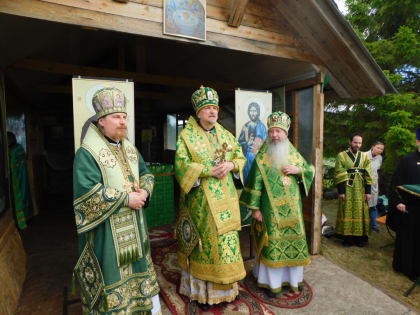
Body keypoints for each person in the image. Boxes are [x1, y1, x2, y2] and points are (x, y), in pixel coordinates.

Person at [72, 87, 160, 314]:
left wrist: (145, 193)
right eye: (116, 117)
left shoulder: (130, 148)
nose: (122, 122)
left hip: (136, 227)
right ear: (101, 121)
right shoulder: (87, 152)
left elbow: (146, 173)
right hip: (108, 235)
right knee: (113, 275)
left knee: (139, 269)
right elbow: (86, 194)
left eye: (124, 117)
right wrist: (125, 199)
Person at [174, 86, 246, 310]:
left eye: (215, 108)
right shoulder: (187, 136)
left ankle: (228, 290)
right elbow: (180, 166)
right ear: (199, 112)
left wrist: (232, 164)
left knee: (227, 244)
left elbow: (240, 155)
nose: (213, 112)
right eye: (208, 108)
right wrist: (207, 169)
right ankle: (204, 295)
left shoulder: (225, 134)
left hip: (226, 198)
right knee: (205, 246)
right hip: (201, 203)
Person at [240, 111, 314, 297]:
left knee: (293, 243)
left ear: (285, 132)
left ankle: (293, 281)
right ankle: (270, 283)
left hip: (293, 211)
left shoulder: (293, 153)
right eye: (272, 131)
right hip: (270, 211)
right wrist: (255, 209)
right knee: (272, 244)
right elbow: (254, 183)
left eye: (278, 132)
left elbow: (308, 170)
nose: (274, 135)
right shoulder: (262, 157)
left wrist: (299, 170)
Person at [388, 128, 420, 281]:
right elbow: (395, 183)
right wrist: (398, 202)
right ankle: (405, 267)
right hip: (408, 208)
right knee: (408, 239)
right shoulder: (407, 160)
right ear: (417, 142)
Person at [334, 132, 374, 247]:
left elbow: (368, 174)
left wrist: (368, 191)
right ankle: (347, 239)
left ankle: (359, 239)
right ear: (350, 142)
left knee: (360, 212)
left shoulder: (364, 156)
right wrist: (341, 191)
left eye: (360, 143)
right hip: (347, 187)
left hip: (360, 188)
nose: (357, 145)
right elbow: (339, 173)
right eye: (355, 142)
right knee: (347, 211)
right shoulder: (341, 156)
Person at [7, 131, 33, 229]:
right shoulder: (20, 148)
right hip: (22, 177)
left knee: (20, 197)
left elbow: (12, 166)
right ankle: (26, 217)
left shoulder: (14, 150)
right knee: (24, 194)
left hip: (17, 179)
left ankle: (21, 222)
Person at [238, 102, 267, 181]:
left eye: (255, 111)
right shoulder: (246, 126)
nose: (253, 113)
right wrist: (247, 144)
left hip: (257, 159)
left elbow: (265, 145)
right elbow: (239, 143)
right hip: (246, 159)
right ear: (248, 112)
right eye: (251, 111)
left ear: (258, 112)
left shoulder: (262, 127)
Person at [366, 141, 385, 232]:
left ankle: (373, 224)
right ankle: (363, 223)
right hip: (364, 184)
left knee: (373, 205)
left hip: (374, 185)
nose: (380, 150)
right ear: (372, 147)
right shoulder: (363, 155)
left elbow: (376, 170)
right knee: (363, 205)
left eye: (381, 149)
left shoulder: (380, 158)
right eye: (378, 148)